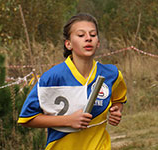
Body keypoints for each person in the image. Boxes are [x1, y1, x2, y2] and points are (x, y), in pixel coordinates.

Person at [18, 13, 127, 150]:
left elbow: (118, 99)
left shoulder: (112, 74)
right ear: (68, 44)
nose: (88, 39)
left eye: (93, 35)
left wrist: (116, 111)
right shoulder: (52, 77)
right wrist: (68, 120)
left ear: (98, 43)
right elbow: (27, 119)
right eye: (81, 35)